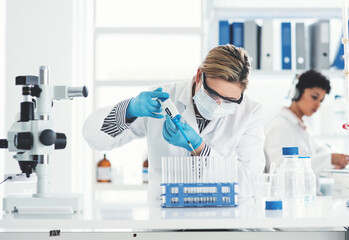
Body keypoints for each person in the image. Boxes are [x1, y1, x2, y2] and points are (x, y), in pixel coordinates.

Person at [83, 44, 265, 202]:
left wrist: (200, 148)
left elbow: (249, 184)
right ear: (199, 75)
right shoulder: (162, 98)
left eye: (229, 101)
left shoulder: (249, 113)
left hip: (224, 224)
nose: (218, 105)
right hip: (165, 222)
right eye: (213, 95)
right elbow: (93, 138)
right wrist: (128, 110)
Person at [264, 70, 349, 175]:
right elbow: (281, 167)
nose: (317, 105)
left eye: (321, 100)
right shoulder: (280, 127)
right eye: (314, 97)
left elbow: (319, 150)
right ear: (297, 93)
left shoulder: (302, 126)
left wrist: (334, 158)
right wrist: (329, 159)